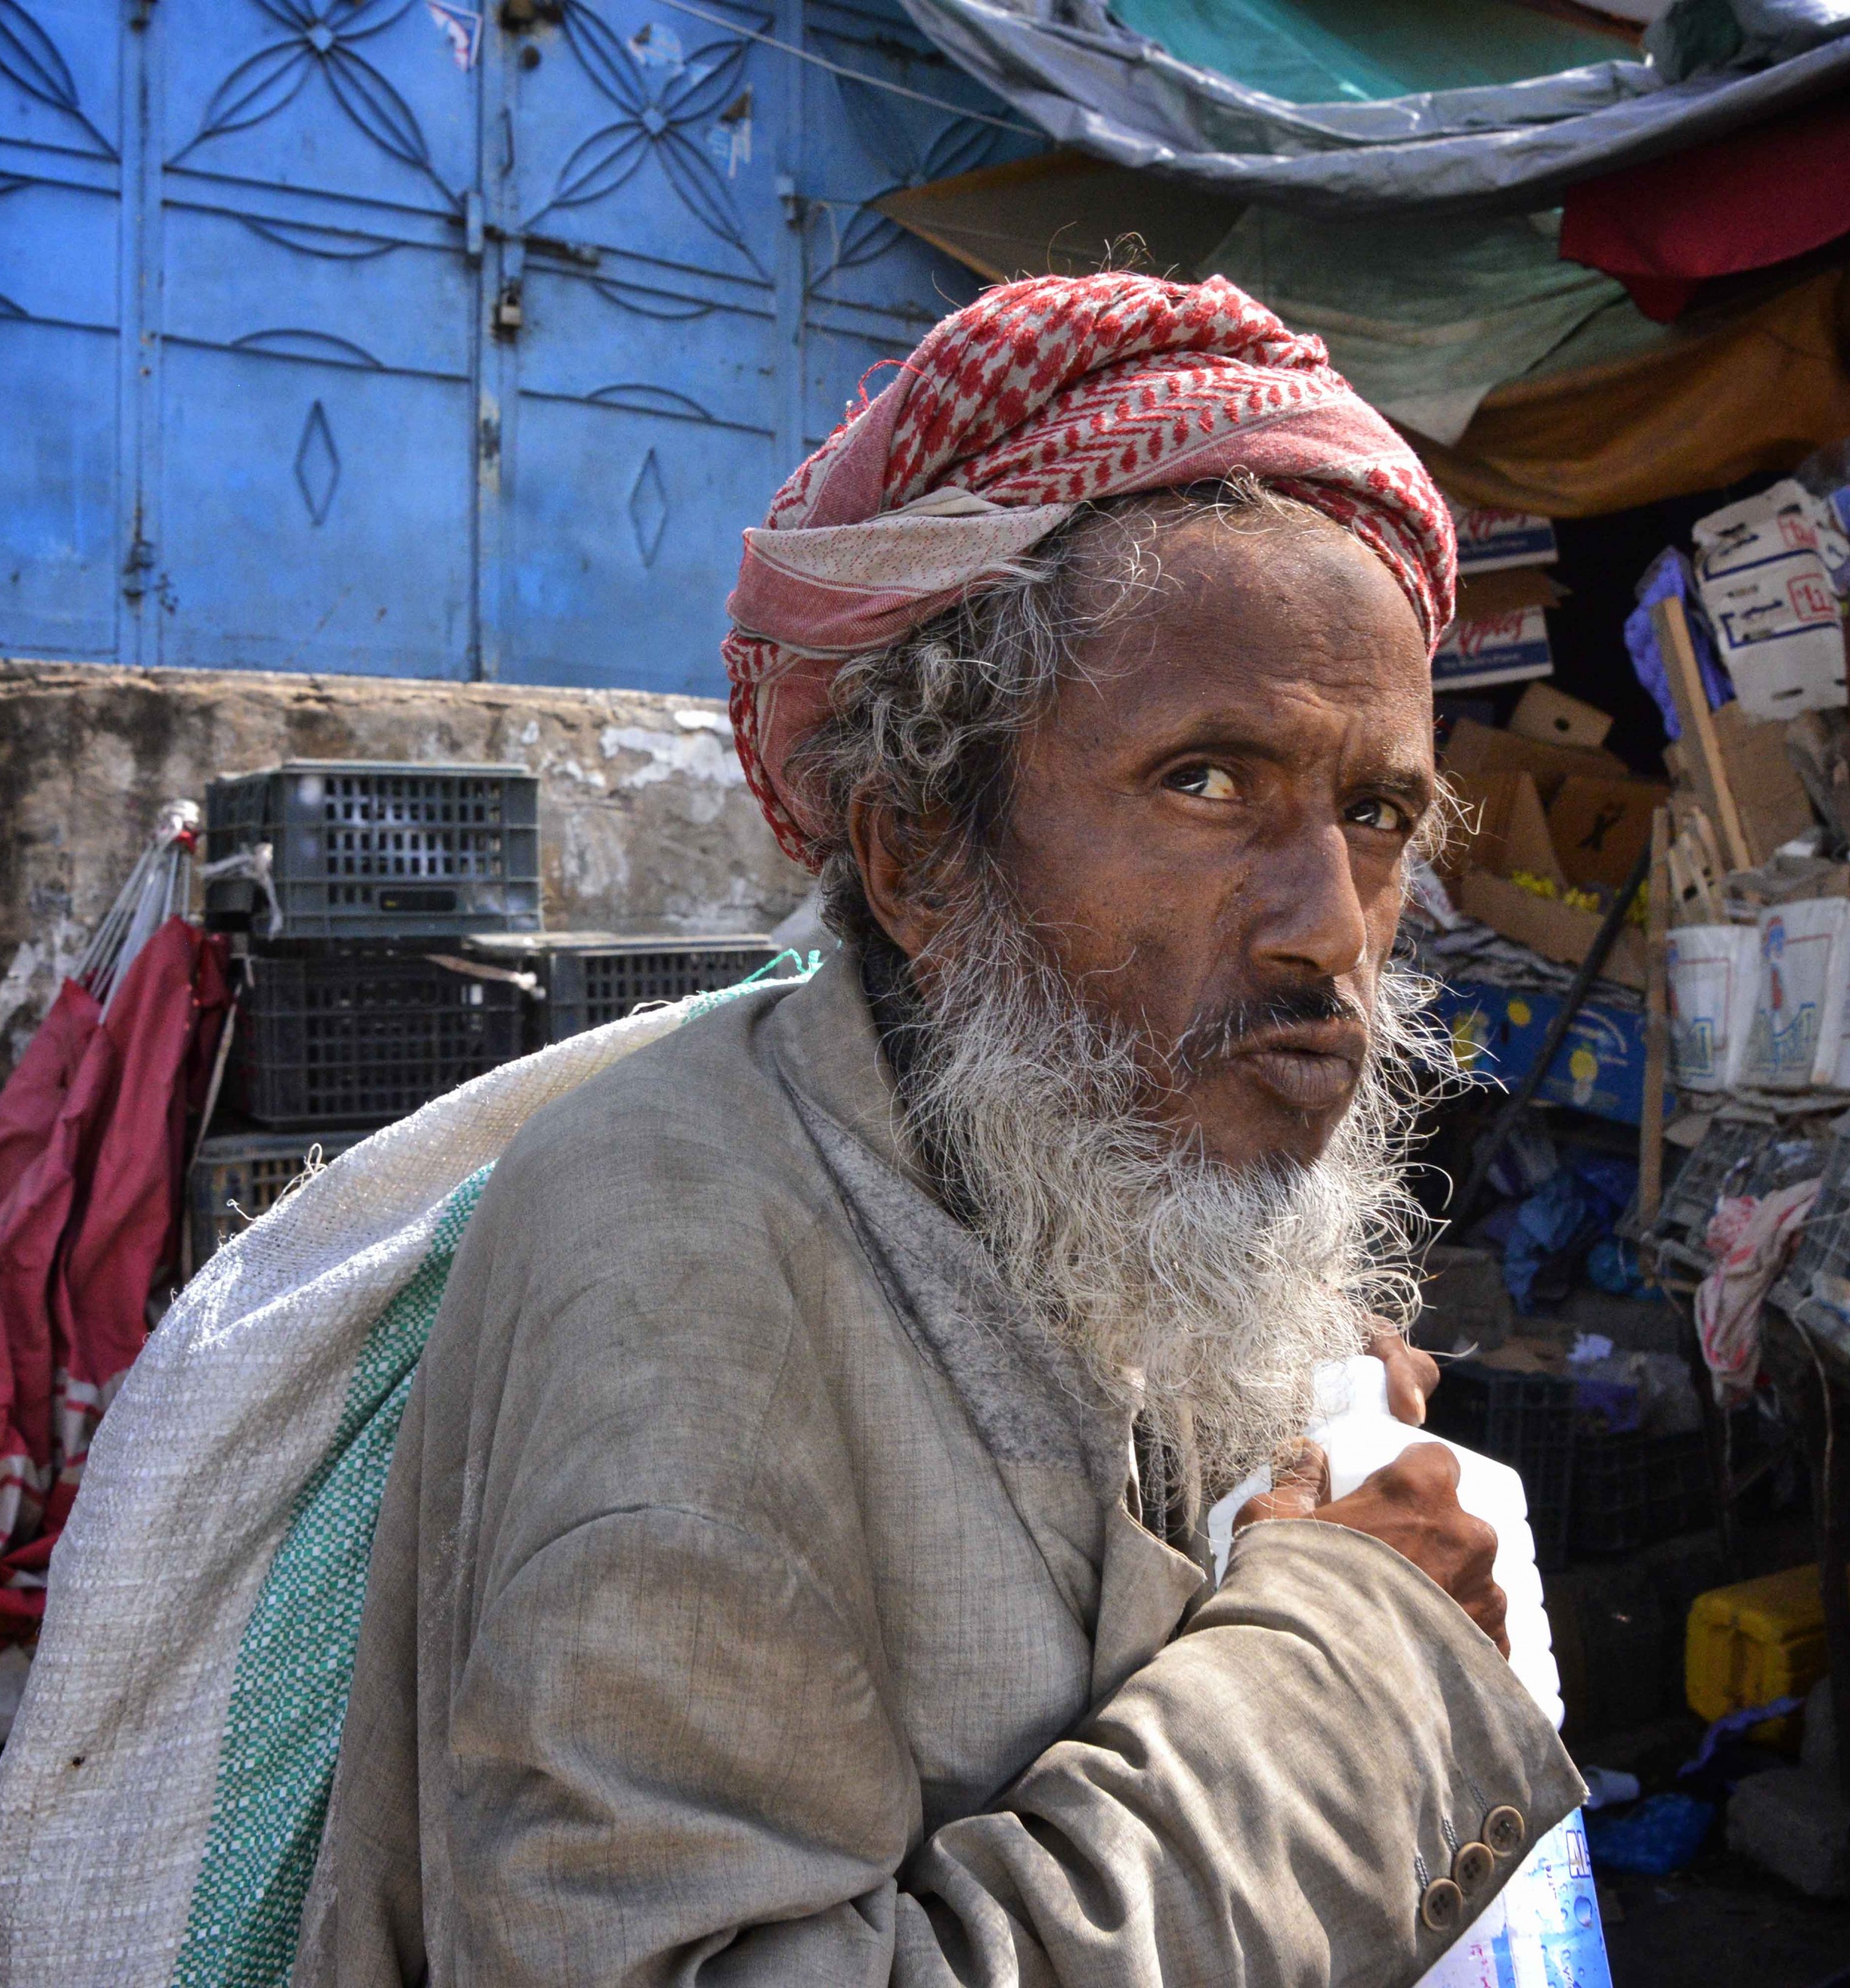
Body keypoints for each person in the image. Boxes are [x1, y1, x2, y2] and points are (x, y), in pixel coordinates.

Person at [298, 273, 1582, 1985]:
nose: (1327, 923)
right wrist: (1352, 1643)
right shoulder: (679, 1274)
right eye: (1207, 782)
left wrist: (1257, 1428)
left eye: (1374, 815)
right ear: (917, 858)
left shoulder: (1042, 1145)